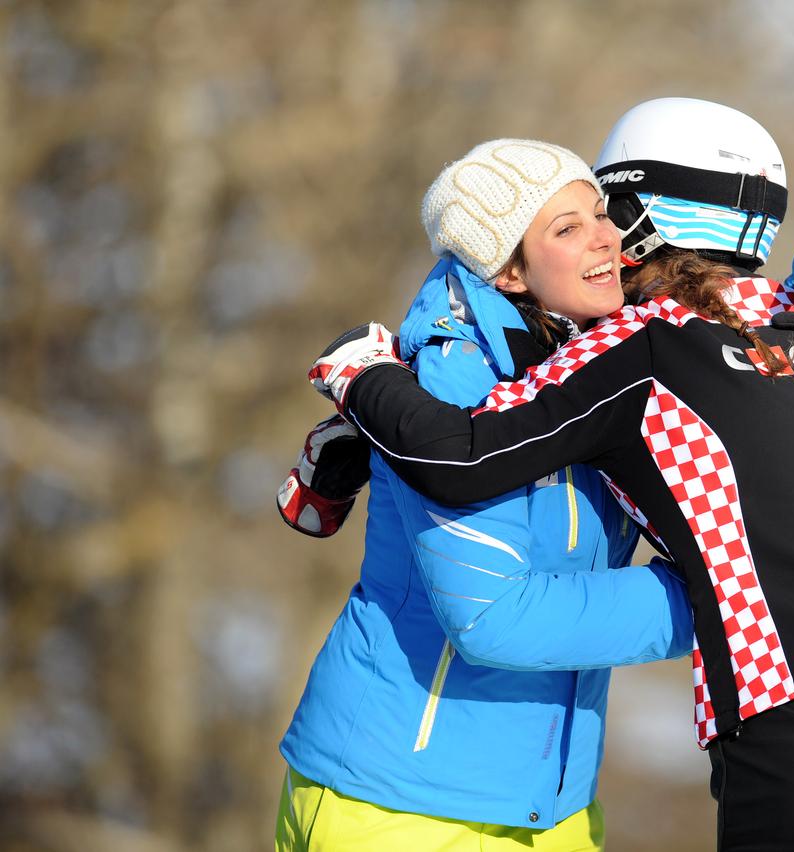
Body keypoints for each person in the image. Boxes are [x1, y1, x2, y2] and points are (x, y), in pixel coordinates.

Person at [306, 98, 794, 851]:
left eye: (609, 211)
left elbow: (461, 454)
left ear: (640, 213)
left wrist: (361, 375)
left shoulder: (642, 341)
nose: (605, 238)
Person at [273, 139, 697, 851]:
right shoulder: (456, 380)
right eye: (566, 229)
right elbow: (493, 618)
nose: (606, 238)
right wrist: (723, 596)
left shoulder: (600, 361)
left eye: (600, 214)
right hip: (395, 807)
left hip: (551, 805)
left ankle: (351, 447)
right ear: (506, 269)